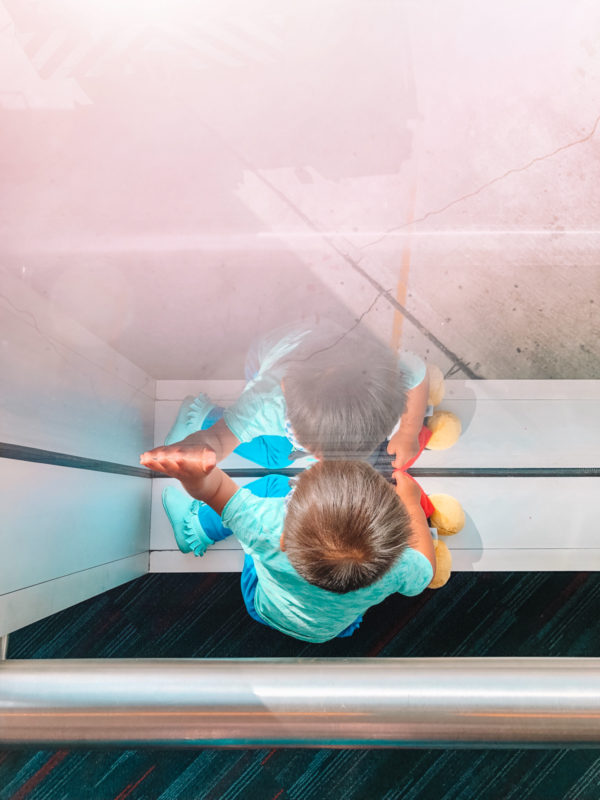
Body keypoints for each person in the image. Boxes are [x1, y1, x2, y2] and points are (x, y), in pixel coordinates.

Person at [139, 444, 435, 643]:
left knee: (274, 484)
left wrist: (193, 469)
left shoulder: (266, 529)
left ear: (284, 539)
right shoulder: (398, 567)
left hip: (264, 606)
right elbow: (427, 570)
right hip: (333, 629)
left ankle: (195, 531)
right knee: (347, 615)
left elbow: (216, 489)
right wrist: (411, 503)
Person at [152, 321, 430, 470]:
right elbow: (222, 437)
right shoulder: (266, 402)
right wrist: (205, 444)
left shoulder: (387, 372)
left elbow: (419, 373)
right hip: (264, 357)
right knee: (274, 458)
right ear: (286, 389)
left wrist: (408, 430)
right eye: (317, 451)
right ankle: (201, 414)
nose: (320, 460)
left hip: (325, 340)